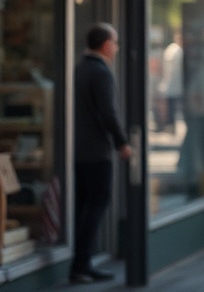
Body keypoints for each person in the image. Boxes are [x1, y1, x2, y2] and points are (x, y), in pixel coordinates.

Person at [71, 23, 132, 284]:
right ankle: (82, 263)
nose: (117, 48)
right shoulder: (101, 72)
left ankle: (81, 263)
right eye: (115, 42)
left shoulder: (78, 69)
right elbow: (108, 113)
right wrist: (122, 143)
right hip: (96, 152)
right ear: (107, 45)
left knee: (83, 206)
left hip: (76, 152)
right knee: (95, 204)